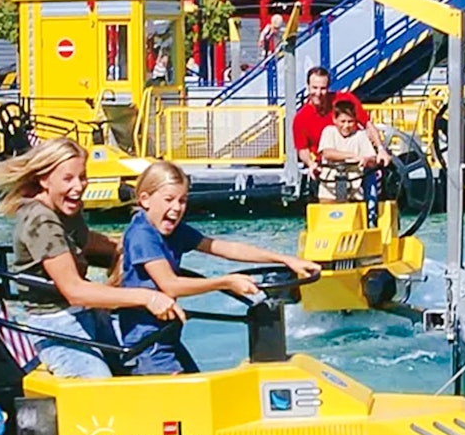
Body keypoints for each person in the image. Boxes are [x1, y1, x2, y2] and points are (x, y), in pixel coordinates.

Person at [0, 138, 185, 379]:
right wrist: (148, 297)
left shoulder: (67, 210)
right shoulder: (42, 222)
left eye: (82, 177)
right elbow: (74, 290)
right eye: (68, 179)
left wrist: (131, 246)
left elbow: (86, 241)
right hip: (55, 322)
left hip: (86, 313)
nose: (79, 186)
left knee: (138, 355)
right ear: (44, 179)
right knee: (97, 381)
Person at [117, 161, 321, 375]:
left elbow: (224, 247)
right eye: (169, 200)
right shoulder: (143, 235)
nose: (177, 208)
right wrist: (224, 282)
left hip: (167, 335)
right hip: (148, 344)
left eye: (183, 200)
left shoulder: (174, 231)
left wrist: (285, 259)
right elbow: (170, 285)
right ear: (145, 199)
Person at [292, 66, 392, 181]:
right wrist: (310, 164)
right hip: (328, 167)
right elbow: (302, 149)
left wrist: (380, 149)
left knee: (370, 178)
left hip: (358, 164)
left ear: (328, 87)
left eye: (323, 88)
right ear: (308, 87)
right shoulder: (301, 118)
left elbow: (367, 124)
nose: (318, 93)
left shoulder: (345, 100)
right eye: (314, 88)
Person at [316, 100, 381, 203]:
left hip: (354, 193)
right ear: (335, 119)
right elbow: (327, 153)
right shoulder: (329, 132)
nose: (346, 126)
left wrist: (367, 160)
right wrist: (352, 156)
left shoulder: (360, 136)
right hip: (329, 192)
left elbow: (372, 159)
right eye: (343, 121)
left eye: (350, 121)